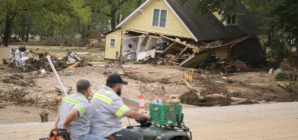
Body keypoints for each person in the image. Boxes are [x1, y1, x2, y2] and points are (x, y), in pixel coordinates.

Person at [90, 74, 149, 140]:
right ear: (117, 85)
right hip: (108, 132)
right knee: (138, 136)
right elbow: (129, 114)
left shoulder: (100, 92)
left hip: (96, 129)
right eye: (121, 85)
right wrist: (144, 115)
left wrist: (128, 107)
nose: (121, 87)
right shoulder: (112, 96)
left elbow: (110, 106)